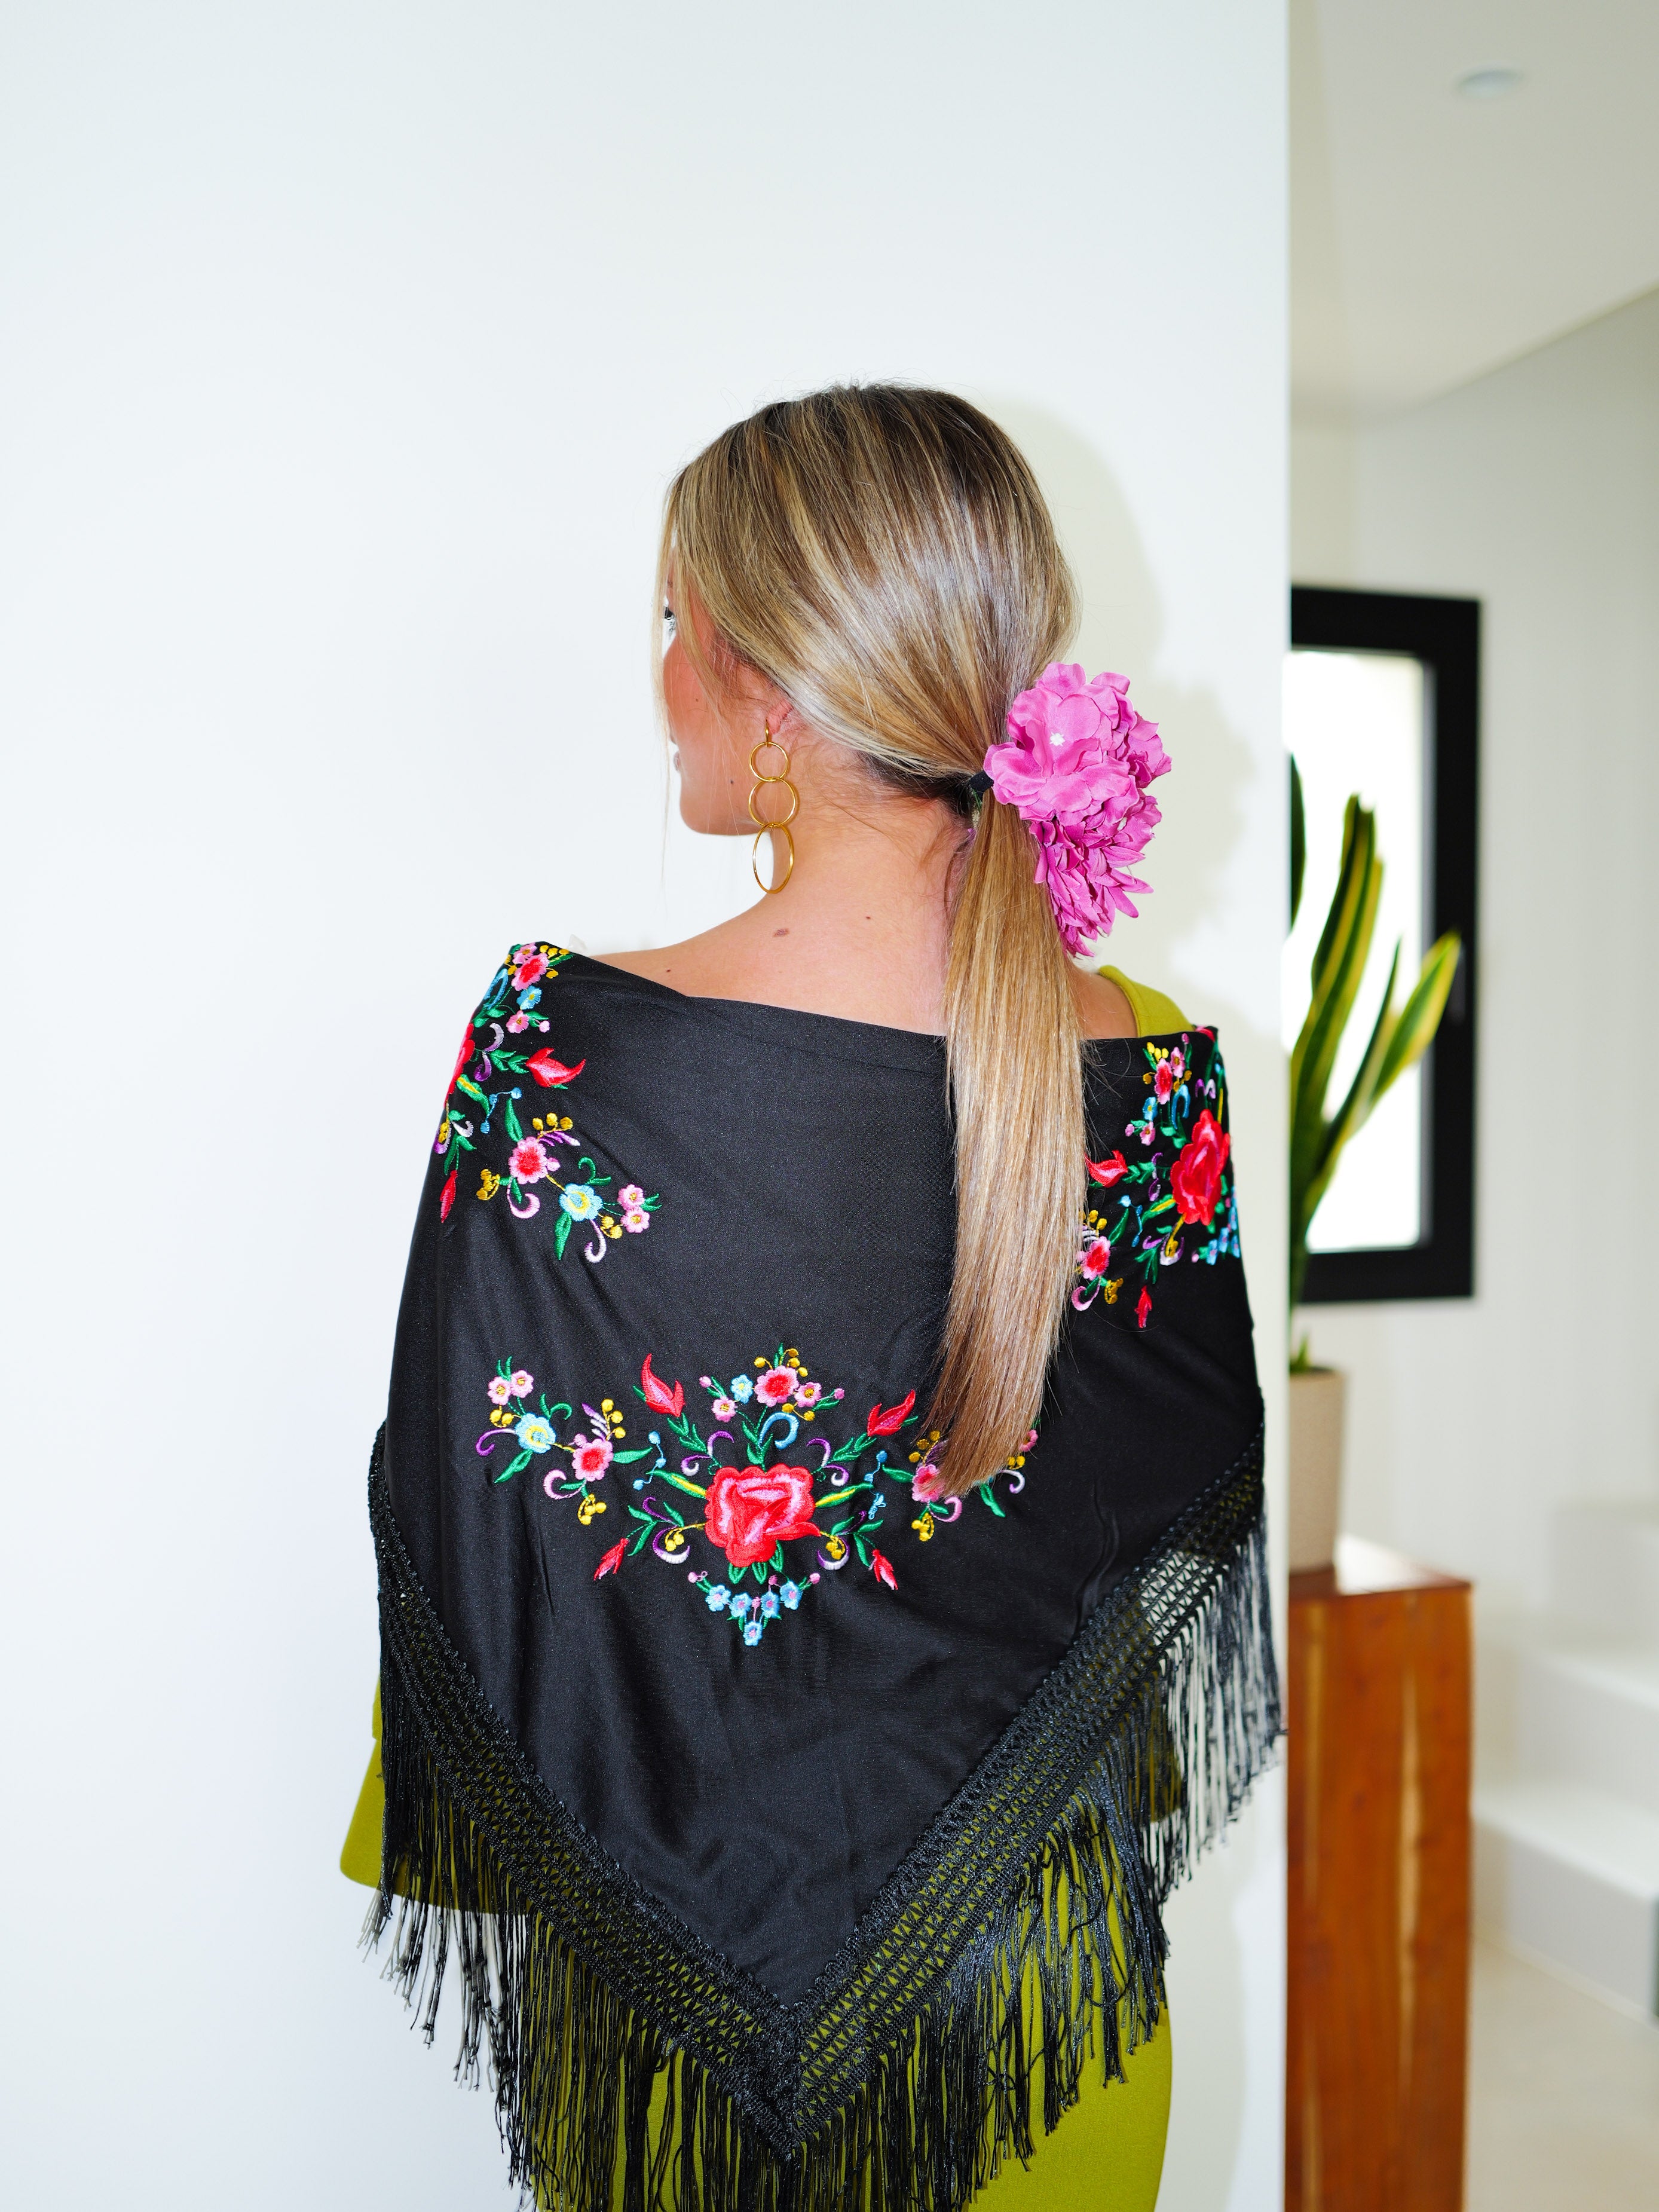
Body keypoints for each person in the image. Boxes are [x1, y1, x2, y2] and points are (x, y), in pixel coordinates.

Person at [342, 385, 1276, 2212]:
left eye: (671, 620)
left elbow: (475, 1516)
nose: (662, 671)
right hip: (1049, 2036)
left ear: (765, 684)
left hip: (674, 2030)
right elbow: (1166, 1539)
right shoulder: (1152, 1058)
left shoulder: (560, 1055)